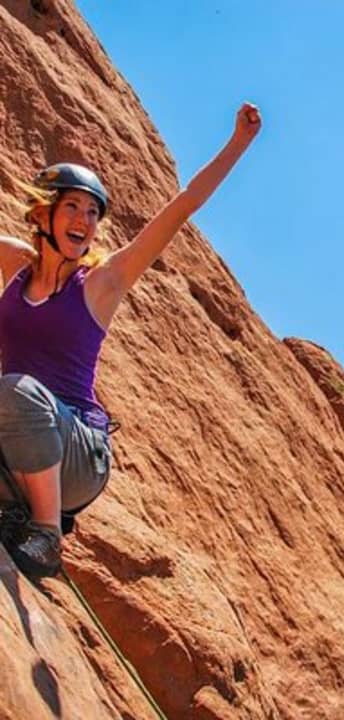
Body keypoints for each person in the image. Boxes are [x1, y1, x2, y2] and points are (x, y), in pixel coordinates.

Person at [0, 102, 262, 578]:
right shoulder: (17, 266)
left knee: (15, 390)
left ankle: (47, 536)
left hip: (78, 455)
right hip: (18, 441)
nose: (85, 219)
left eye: (93, 212)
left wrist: (238, 144)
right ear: (45, 212)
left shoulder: (102, 283)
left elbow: (184, 205)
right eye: (73, 206)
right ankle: (19, 512)